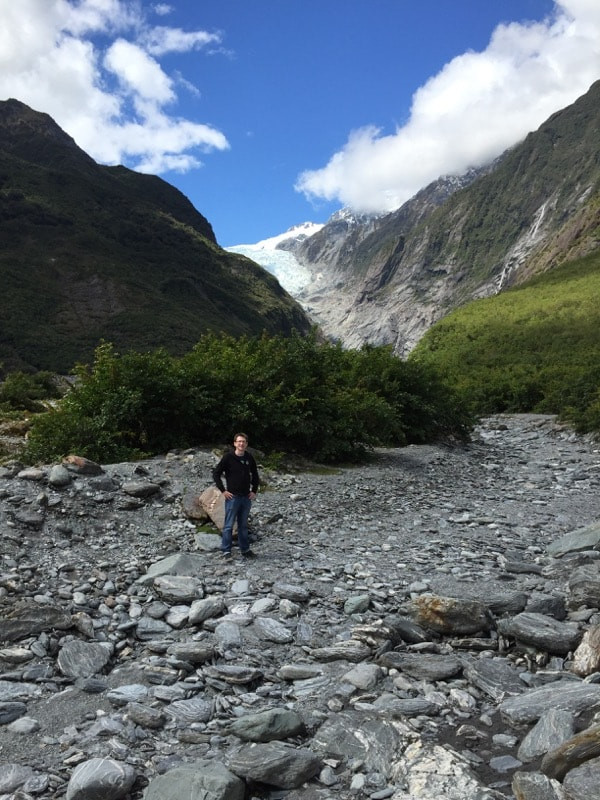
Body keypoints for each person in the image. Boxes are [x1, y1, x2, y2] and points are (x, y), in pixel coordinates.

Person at [212, 432, 260, 559]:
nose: (241, 443)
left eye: (243, 441)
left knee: (243, 526)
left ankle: (245, 550)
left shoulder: (249, 458)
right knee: (228, 525)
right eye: (239, 441)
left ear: (246, 444)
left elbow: (255, 475)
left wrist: (254, 490)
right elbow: (216, 473)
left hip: (246, 497)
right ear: (234, 443)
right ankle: (226, 550)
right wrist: (223, 490)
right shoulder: (228, 457)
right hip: (232, 497)